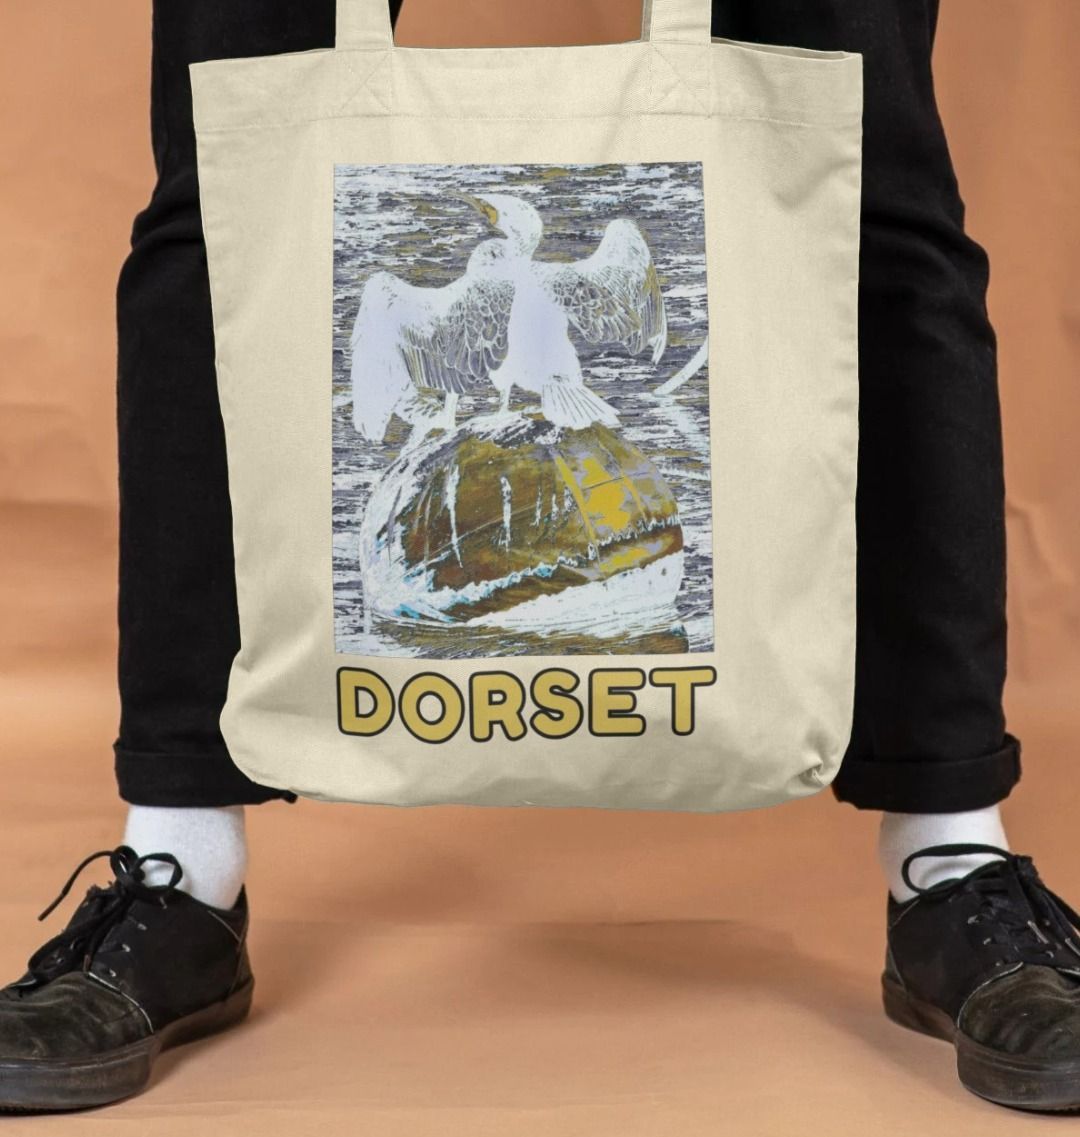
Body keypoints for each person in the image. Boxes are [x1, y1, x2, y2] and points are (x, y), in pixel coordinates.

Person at [1, 0, 1077, 1115]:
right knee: (231, 183)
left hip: (557, 413)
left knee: (867, 165)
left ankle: (949, 865)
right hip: (497, 429)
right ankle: (182, 872)